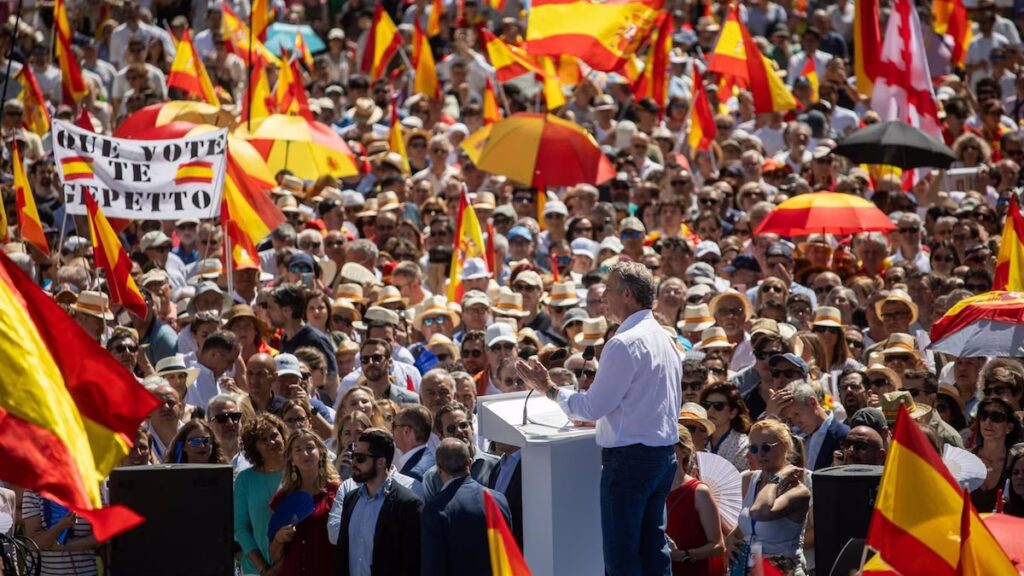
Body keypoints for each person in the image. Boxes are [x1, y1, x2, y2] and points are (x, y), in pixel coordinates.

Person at [517, 261, 683, 574]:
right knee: (653, 552)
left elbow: (592, 407)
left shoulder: (623, 343)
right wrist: (604, 421)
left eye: (608, 290)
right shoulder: (664, 338)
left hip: (630, 462)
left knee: (622, 558)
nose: (603, 298)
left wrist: (548, 388)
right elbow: (646, 404)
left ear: (628, 294)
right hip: (661, 457)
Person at [332, 429, 423, 575]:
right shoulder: (351, 499)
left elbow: (412, 563)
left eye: (360, 458)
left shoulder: (408, 504)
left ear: (381, 462)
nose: (353, 463)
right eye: (353, 456)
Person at [727, 419, 811, 574]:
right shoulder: (748, 479)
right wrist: (732, 537)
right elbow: (750, 522)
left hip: (782, 571)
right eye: (754, 448)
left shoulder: (798, 491)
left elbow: (759, 512)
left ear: (785, 446)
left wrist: (778, 477)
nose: (760, 454)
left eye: (766, 447)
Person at [421, 439, 513, 576]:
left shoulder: (435, 510)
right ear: (469, 463)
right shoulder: (499, 500)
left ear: (439, 468)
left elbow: (433, 567)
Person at [268, 429, 340, 574]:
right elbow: (274, 555)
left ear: (321, 452)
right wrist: (279, 539)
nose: (305, 454)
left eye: (310, 448)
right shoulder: (283, 497)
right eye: (298, 450)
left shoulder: (338, 491)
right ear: (291, 459)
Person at [665, 426, 725, 575]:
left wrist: (684, 555)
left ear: (684, 451)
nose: (659, 451)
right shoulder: (651, 492)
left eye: (667, 445)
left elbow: (718, 546)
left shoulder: (699, 492)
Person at [234, 414, 287, 576]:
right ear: (254, 447)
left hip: (293, 566)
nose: (271, 442)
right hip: (256, 570)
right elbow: (241, 529)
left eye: (274, 435)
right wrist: (264, 569)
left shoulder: (296, 473)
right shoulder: (245, 479)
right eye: (263, 440)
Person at [699, 382, 752, 471]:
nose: (711, 410)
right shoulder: (696, 438)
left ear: (733, 412)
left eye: (718, 406)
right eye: (706, 405)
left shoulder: (743, 446)